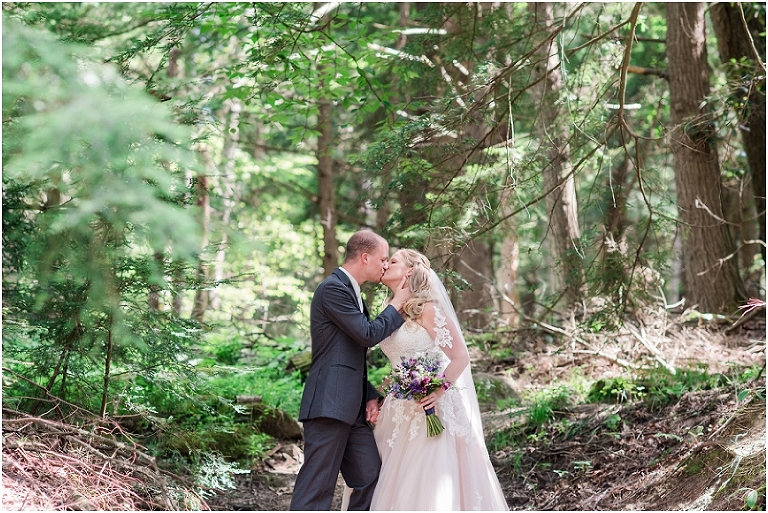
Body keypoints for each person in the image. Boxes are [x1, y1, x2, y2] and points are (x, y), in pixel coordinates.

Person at [367, 248, 509, 510]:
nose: (386, 264)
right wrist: (382, 394)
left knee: (428, 478)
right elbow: (398, 361)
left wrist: (437, 389)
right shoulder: (389, 309)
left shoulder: (428, 309)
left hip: (431, 407)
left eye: (394, 261)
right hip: (398, 408)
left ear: (409, 271)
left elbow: (460, 357)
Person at [289, 230, 412, 511]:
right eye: (382, 259)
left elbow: (348, 354)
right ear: (365, 257)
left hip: (352, 409)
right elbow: (367, 335)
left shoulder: (355, 295)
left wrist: (369, 394)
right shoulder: (332, 289)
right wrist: (398, 302)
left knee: (370, 476)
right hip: (329, 406)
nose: (385, 265)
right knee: (316, 489)